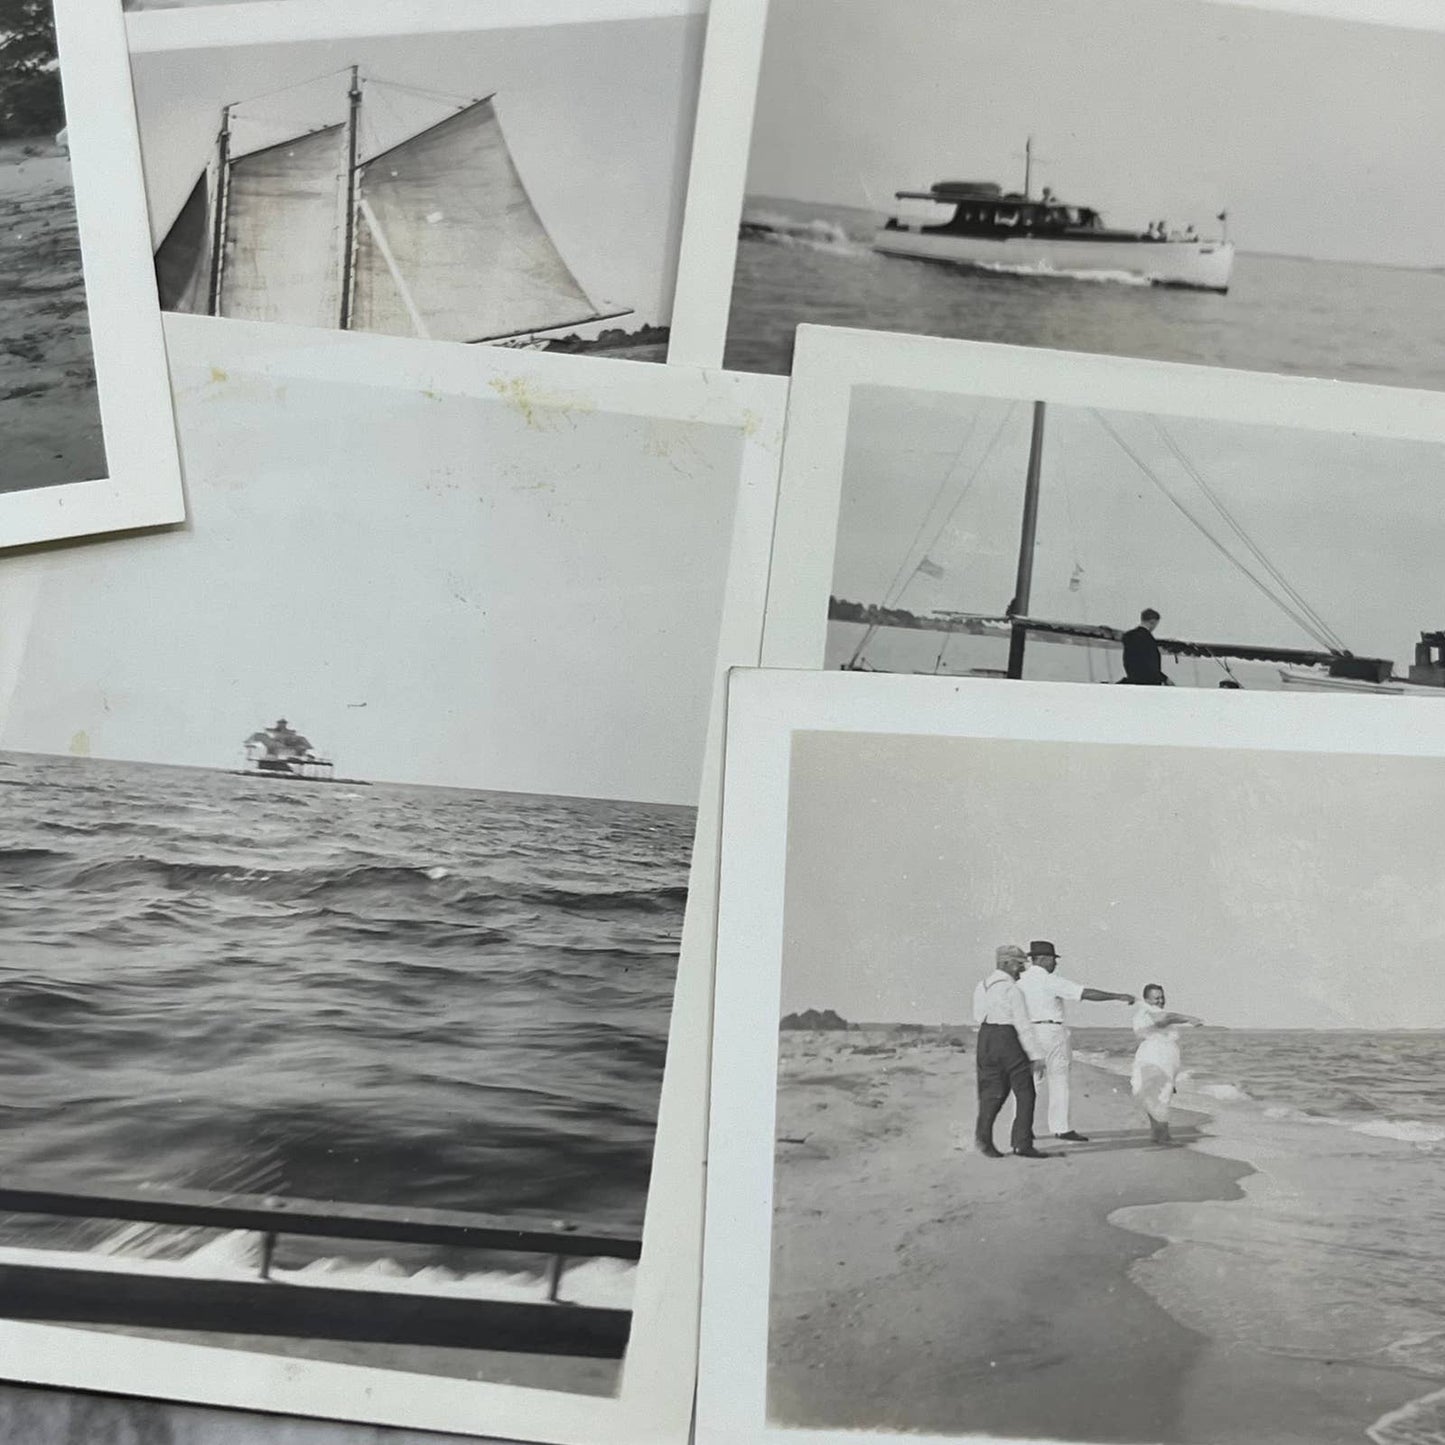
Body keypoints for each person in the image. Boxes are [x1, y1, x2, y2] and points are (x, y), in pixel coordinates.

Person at [1018, 941, 1135, 1143]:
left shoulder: (1020, 982)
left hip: (1027, 1032)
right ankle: (1061, 1128)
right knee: (1059, 1080)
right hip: (1051, 1031)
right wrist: (1118, 996)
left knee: (1029, 1084)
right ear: (1044, 959)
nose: (1055, 964)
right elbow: (1085, 993)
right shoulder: (1049, 980)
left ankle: (1021, 1128)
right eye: (1054, 960)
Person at [971, 945, 1051, 1159]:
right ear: (1005, 963)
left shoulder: (982, 985)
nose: (1021, 970)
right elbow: (1023, 1025)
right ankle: (1021, 1143)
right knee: (1025, 1092)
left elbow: (978, 1014)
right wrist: (1037, 1056)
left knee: (990, 1093)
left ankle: (983, 1140)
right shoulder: (1012, 990)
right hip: (1007, 1038)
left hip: (985, 1038)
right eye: (1018, 964)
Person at [1130, 985, 1203, 1144]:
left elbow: (1164, 1020)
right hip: (1156, 1055)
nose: (1161, 1000)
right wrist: (1188, 1018)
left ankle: (1158, 1133)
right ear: (1147, 999)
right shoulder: (1148, 1011)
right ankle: (1162, 1135)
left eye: (1162, 997)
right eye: (1156, 998)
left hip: (1162, 1055)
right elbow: (1163, 1020)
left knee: (1158, 1094)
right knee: (1159, 1094)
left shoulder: (1152, 1012)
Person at [1120, 608, 1172, 685]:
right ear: (1152, 622)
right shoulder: (1148, 639)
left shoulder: (1129, 636)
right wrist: (1164, 678)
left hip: (1132, 679)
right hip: (1148, 682)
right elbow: (1149, 664)